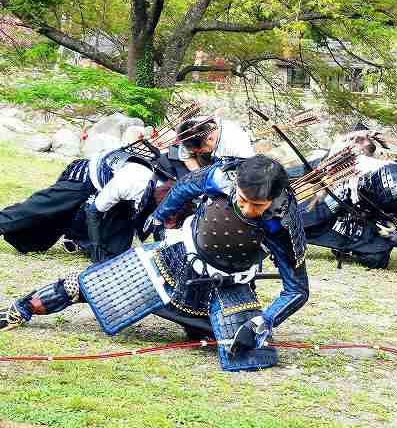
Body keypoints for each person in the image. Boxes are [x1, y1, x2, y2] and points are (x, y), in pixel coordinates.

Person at [0, 155, 308, 372]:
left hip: (226, 292)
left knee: (241, 352)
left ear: (274, 199)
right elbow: (186, 186)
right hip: (173, 261)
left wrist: (263, 322)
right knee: (86, 284)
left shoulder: (280, 223)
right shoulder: (220, 177)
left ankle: (199, 327)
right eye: (242, 199)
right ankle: (20, 310)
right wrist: (160, 216)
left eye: (257, 205)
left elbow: (296, 290)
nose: (246, 208)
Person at [0, 145, 159, 262]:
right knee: (41, 209)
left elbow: (142, 230)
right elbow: (93, 212)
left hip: (119, 196)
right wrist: (96, 248)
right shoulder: (130, 182)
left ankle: (80, 240)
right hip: (87, 177)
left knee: (114, 254)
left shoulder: (165, 199)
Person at [302, 162, 397, 275]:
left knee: (378, 260)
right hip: (344, 201)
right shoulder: (387, 177)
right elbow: (352, 178)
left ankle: (346, 250)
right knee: (303, 223)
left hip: (372, 221)